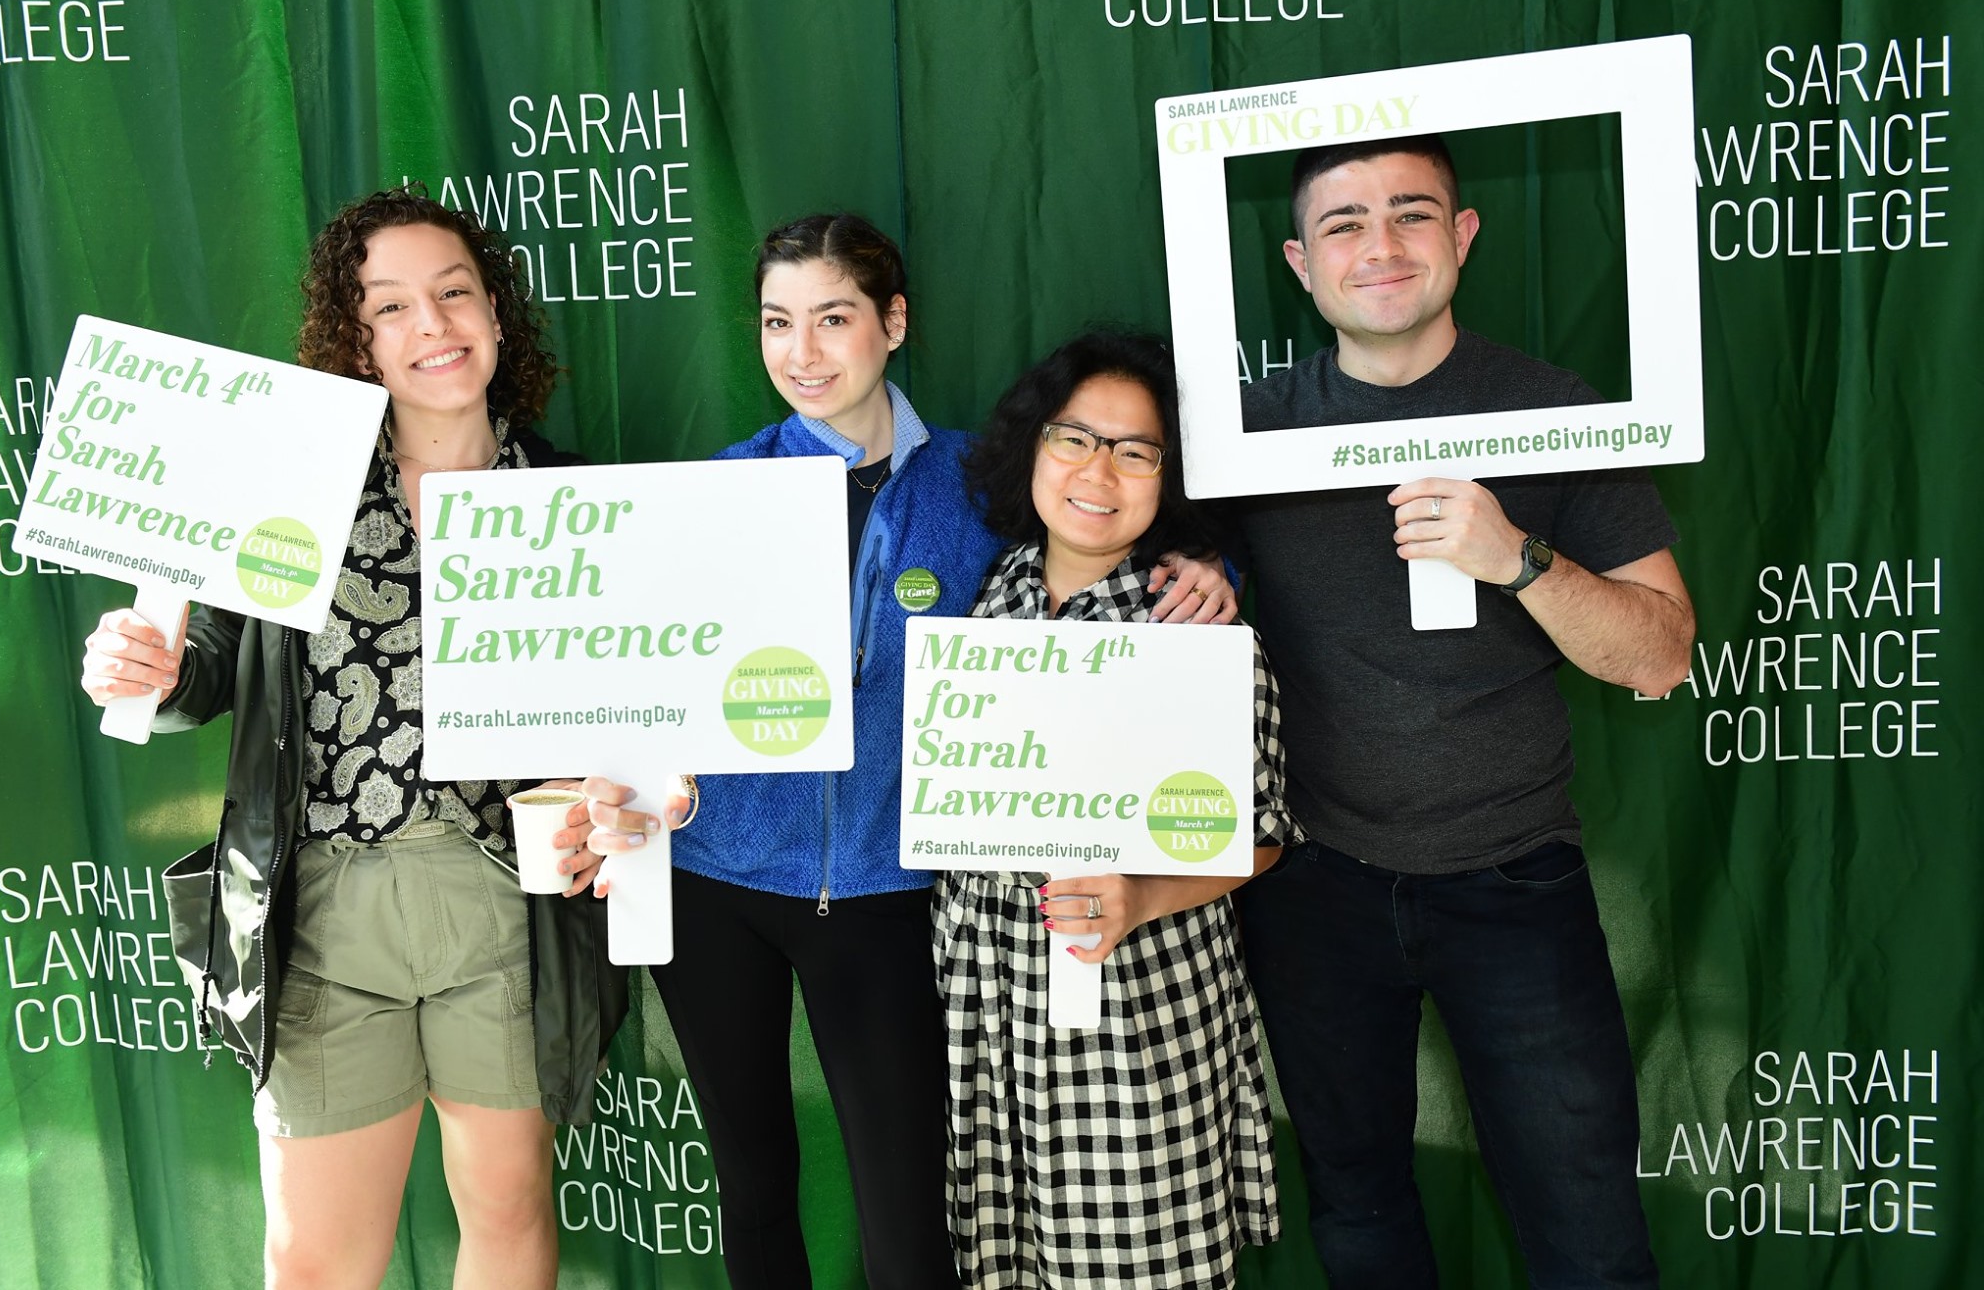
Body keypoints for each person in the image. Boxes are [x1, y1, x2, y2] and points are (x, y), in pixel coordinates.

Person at [582, 213, 1237, 1290]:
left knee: (906, 1213)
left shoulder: (983, 487)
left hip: (893, 891)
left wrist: (1213, 563)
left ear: (892, 325)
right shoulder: (717, 487)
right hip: (715, 884)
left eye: (832, 319)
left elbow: (1107, 536)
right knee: (749, 1185)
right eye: (776, 323)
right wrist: (637, 779)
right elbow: (648, 681)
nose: (802, 352)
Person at [79, 186, 621, 1290]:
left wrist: (641, 794)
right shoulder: (291, 489)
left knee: (511, 1216)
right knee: (316, 1260)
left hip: (501, 908)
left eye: (454, 293)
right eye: (392, 308)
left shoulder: (571, 496)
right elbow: (208, 668)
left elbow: (635, 708)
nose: (433, 325)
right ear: (357, 341)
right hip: (322, 912)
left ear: (497, 315)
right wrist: (150, 666)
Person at [1231, 134, 1696, 1289]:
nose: (1377, 246)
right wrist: (1192, 576)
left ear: (1463, 236)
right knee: (1358, 1212)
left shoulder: (1550, 410)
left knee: (1586, 1227)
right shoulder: (1241, 432)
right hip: (1312, 887)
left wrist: (1516, 557)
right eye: (1342, 224)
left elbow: (1659, 657)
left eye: (1410, 214)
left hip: (1512, 880)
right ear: (1297, 261)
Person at [934, 329, 1301, 1289]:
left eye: (1135, 450)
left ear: (1168, 476)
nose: (1100, 469)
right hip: (988, 1011)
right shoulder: (991, 593)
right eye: (1075, 439)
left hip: (1139, 1023)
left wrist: (1138, 895)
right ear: (1033, 449)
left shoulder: (1192, 624)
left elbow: (1259, 839)